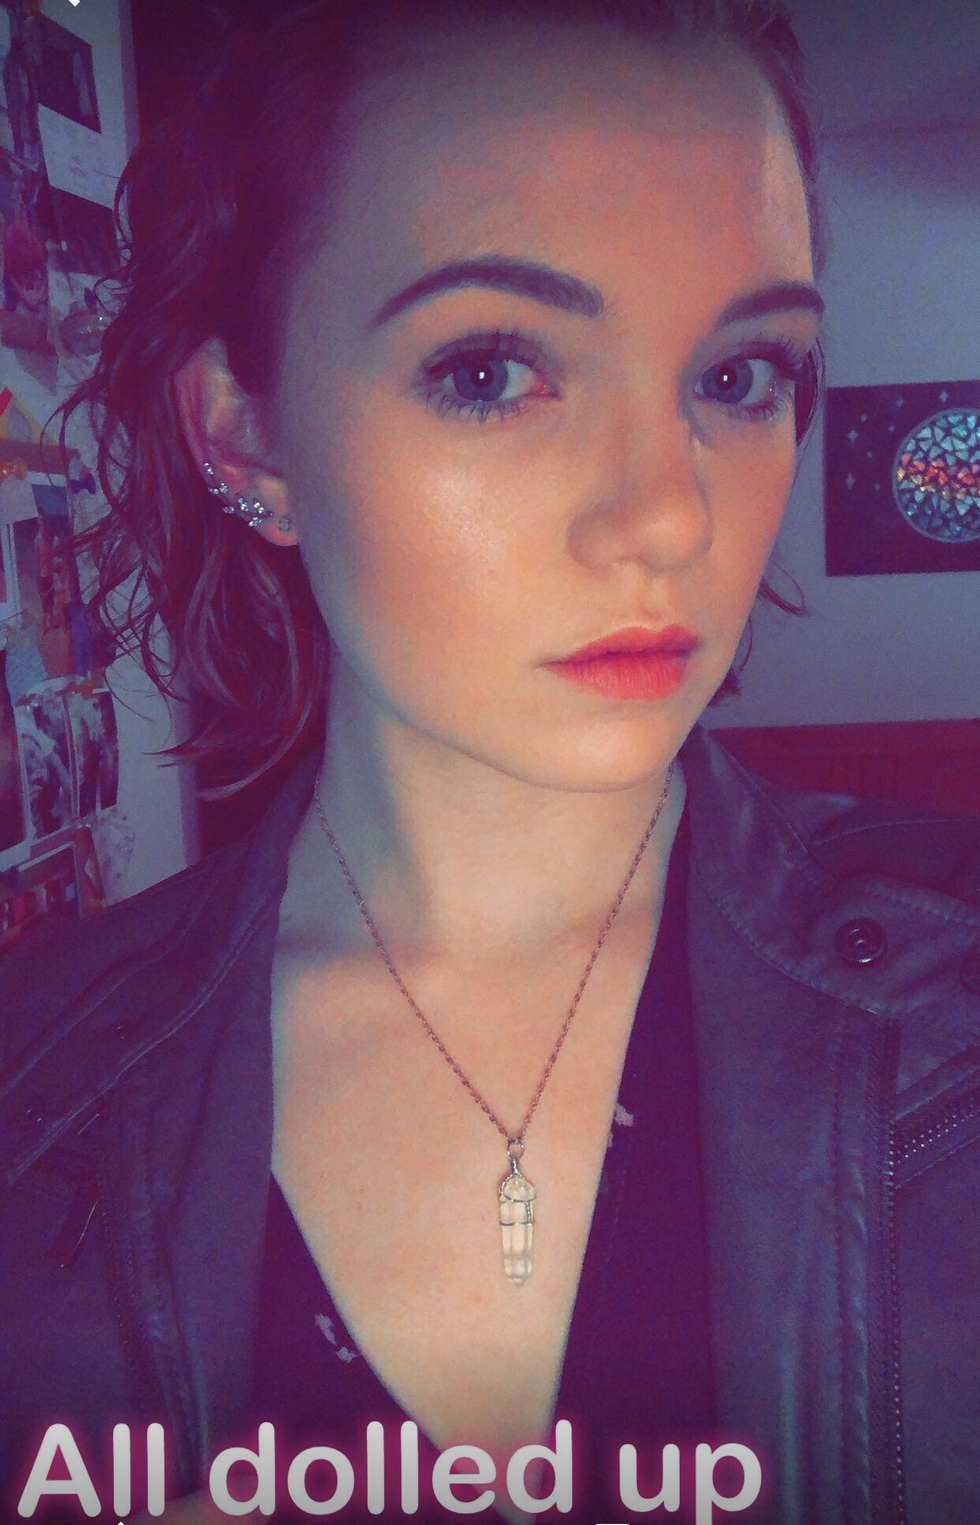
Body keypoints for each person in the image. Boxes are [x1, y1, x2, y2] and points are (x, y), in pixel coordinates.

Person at [2, 2, 978, 1522]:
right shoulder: (35, 1088)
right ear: (245, 435)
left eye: (739, 376)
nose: (669, 515)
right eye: (488, 371)